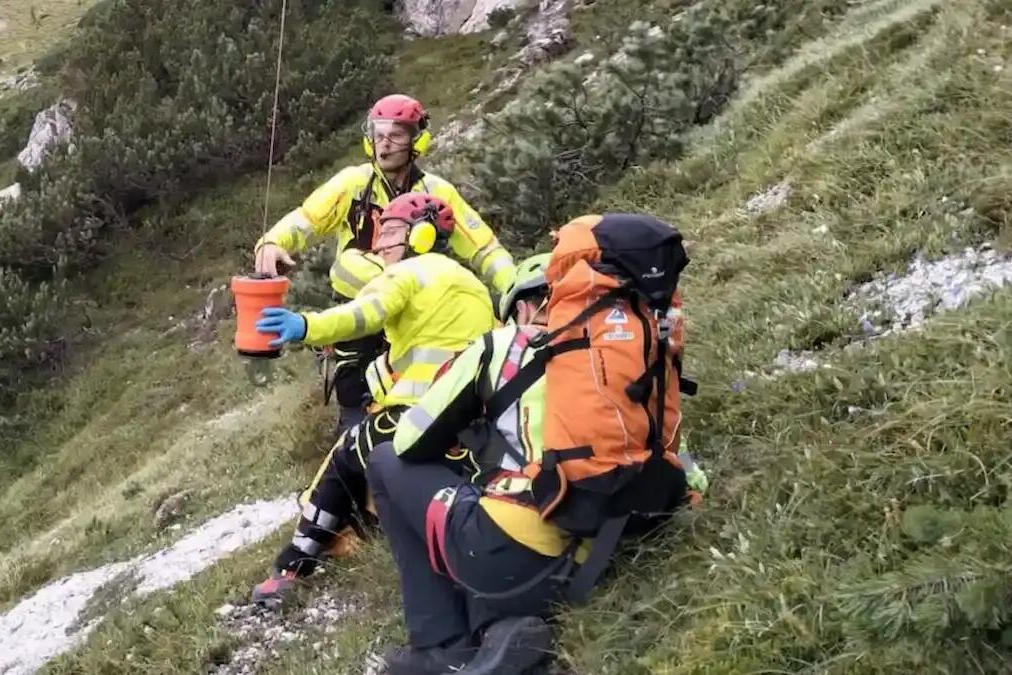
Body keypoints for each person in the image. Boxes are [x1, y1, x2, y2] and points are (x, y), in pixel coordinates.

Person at [367, 214, 709, 675]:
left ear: (526, 306)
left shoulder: (502, 345)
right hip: (601, 549)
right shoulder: (632, 346)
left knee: (386, 461)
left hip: (511, 554)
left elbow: (410, 441)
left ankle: (439, 645)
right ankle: (499, 627)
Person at [250, 192, 500, 605]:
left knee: (347, 453)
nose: (379, 243)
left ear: (421, 235)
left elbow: (363, 314)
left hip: (418, 414)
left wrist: (305, 326)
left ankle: (292, 567)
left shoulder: (409, 272)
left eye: (391, 232)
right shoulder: (471, 284)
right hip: (473, 426)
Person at [254, 94, 516, 435]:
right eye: (378, 134)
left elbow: (484, 248)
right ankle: (354, 426)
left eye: (396, 135)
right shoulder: (353, 183)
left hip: (420, 307)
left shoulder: (437, 192)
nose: (385, 144)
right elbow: (307, 219)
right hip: (360, 302)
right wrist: (273, 242)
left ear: (417, 140)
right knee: (354, 391)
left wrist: (517, 291)